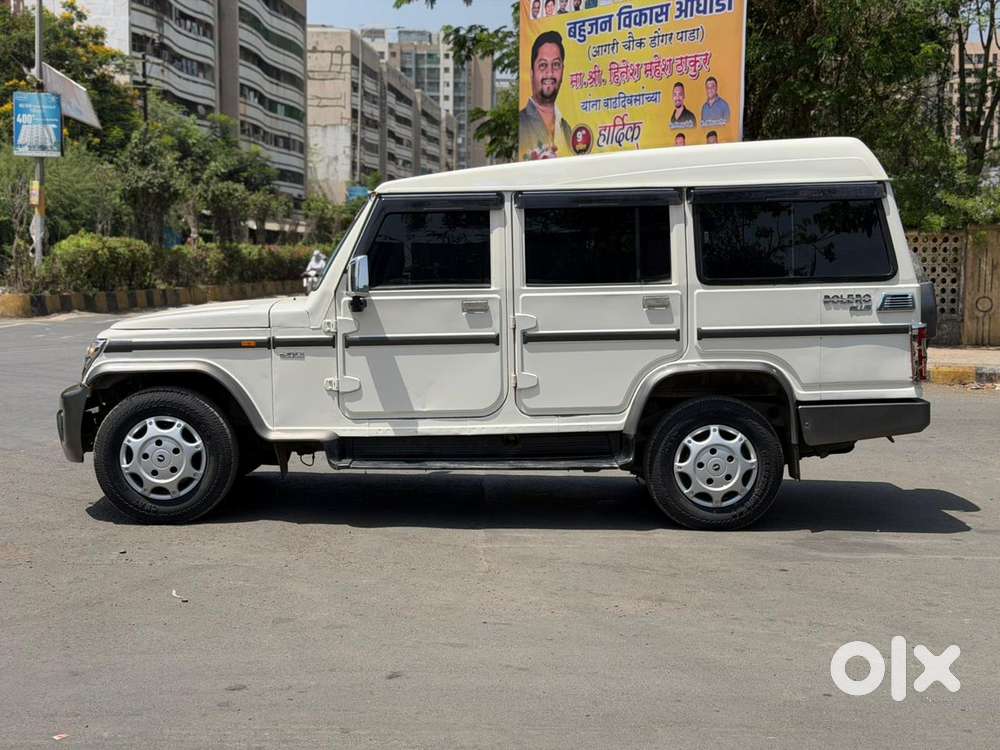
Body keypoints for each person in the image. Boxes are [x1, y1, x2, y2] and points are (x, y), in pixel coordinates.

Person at [520, 31, 572, 159]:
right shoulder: (521, 123)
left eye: (556, 65)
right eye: (543, 65)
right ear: (532, 72)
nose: (550, 73)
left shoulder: (567, 130)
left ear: (563, 71)